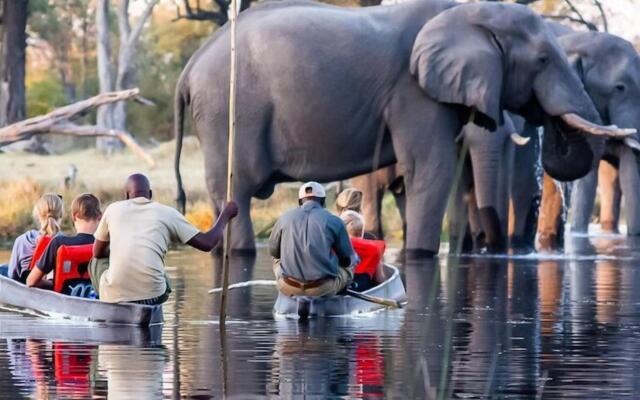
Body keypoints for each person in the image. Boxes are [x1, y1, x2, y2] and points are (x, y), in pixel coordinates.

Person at [90, 173, 238, 305]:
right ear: (150, 194)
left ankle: (103, 299)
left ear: (126, 196)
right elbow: (207, 243)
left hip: (115, 298)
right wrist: (225, 215)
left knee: (95, 261)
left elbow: (97, 252)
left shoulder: (113, 209)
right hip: (152, 297)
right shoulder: (168, 213)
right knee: (162, 275)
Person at [269, 181, 358, 297]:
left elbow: (273, 252)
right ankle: (342, 292)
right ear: (323, 201)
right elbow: (346, 260)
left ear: (300, 201)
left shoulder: (284, 218)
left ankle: (294, 295)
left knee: (276, 260)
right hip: (321, 289)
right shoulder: (335, 221)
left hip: (288, 286)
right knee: (351, 265)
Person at [26, 194, 102, 289]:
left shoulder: (58, 242)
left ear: (74, 216)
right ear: (100, 216)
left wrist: (52, 284)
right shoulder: (107, 246)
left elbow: (31, 281)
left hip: (64, 299)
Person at [7, 193, 64, 283]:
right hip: (56, 291)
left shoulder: (22, 240)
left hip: (27, 291)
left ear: (38, 214)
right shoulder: (65, 243)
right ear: (61, 215)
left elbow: (12, 277)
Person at [340, 210, 386, 292]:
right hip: (364, 290)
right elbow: (380, 279)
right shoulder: (373, 248)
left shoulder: (336, 246)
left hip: (339, 289)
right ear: (362, 232)